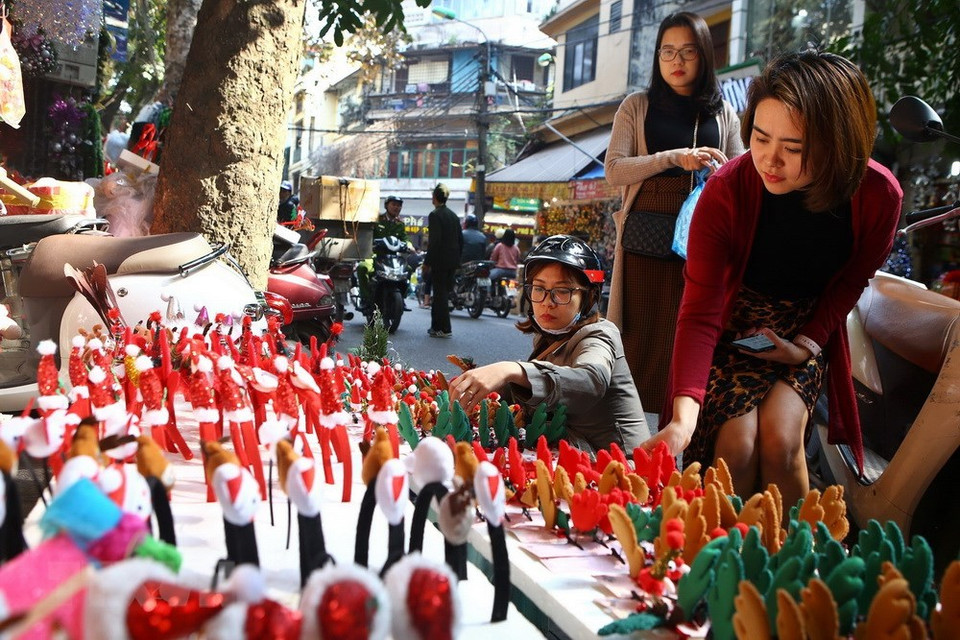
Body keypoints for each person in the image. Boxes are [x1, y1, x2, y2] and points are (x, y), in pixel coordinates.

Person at [645, 50, 903, 517]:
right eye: (760, 138)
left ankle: (800, 570)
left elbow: (851, 281)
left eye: (795, 147)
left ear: (838, 145)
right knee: (737, 448)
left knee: (782, 443)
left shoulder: (878, 195)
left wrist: (806, 344)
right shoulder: (726, 191)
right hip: (731, 329)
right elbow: (700, 311)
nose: (770, 159)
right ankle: (717, 571)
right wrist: (682, 421)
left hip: (800, 327)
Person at [605, 11, 745, 415]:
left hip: (705, 237)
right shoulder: (637, 106)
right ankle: (626, 444)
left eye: (687, 51)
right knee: (638, 341)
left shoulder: (725, 114)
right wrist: (674, 158)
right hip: (647, 238)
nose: (676, 61)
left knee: (691, 339)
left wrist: (718, 173)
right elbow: (615, 170)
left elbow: (741, 176)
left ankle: (676, 433)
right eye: (667, 52)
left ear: (703, 56)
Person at [448, 235, 651, 454]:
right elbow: (535, 395)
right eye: (539, 288)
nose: (547, 301)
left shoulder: (599, 336)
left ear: (589, 296)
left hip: (618, 467)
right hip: (572, 452)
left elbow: (590, 380)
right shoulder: (549, 338)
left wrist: (511, 369)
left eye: (562, 291)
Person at [424, 184, 462, 338]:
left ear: (434, 197)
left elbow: (434, 241)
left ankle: (444, 328)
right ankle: (435, 326)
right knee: (442, 293)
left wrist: (427, 262)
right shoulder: (453, 215)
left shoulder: (435, 215)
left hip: (439, 261)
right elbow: (460, 240)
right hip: (452, 261)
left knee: (439, 294)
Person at [359, 195, 408, 309]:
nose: (396, 207)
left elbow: (405, 239)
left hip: (393, 258)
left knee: (408, 270)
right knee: (363, 268)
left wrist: (409, 246)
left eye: (399, 205)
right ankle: (365, 298)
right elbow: (368, 235)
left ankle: (402, 297)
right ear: (386, 206)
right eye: (394, 204)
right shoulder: (377, 220)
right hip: (375, 255)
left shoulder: (400, 224)